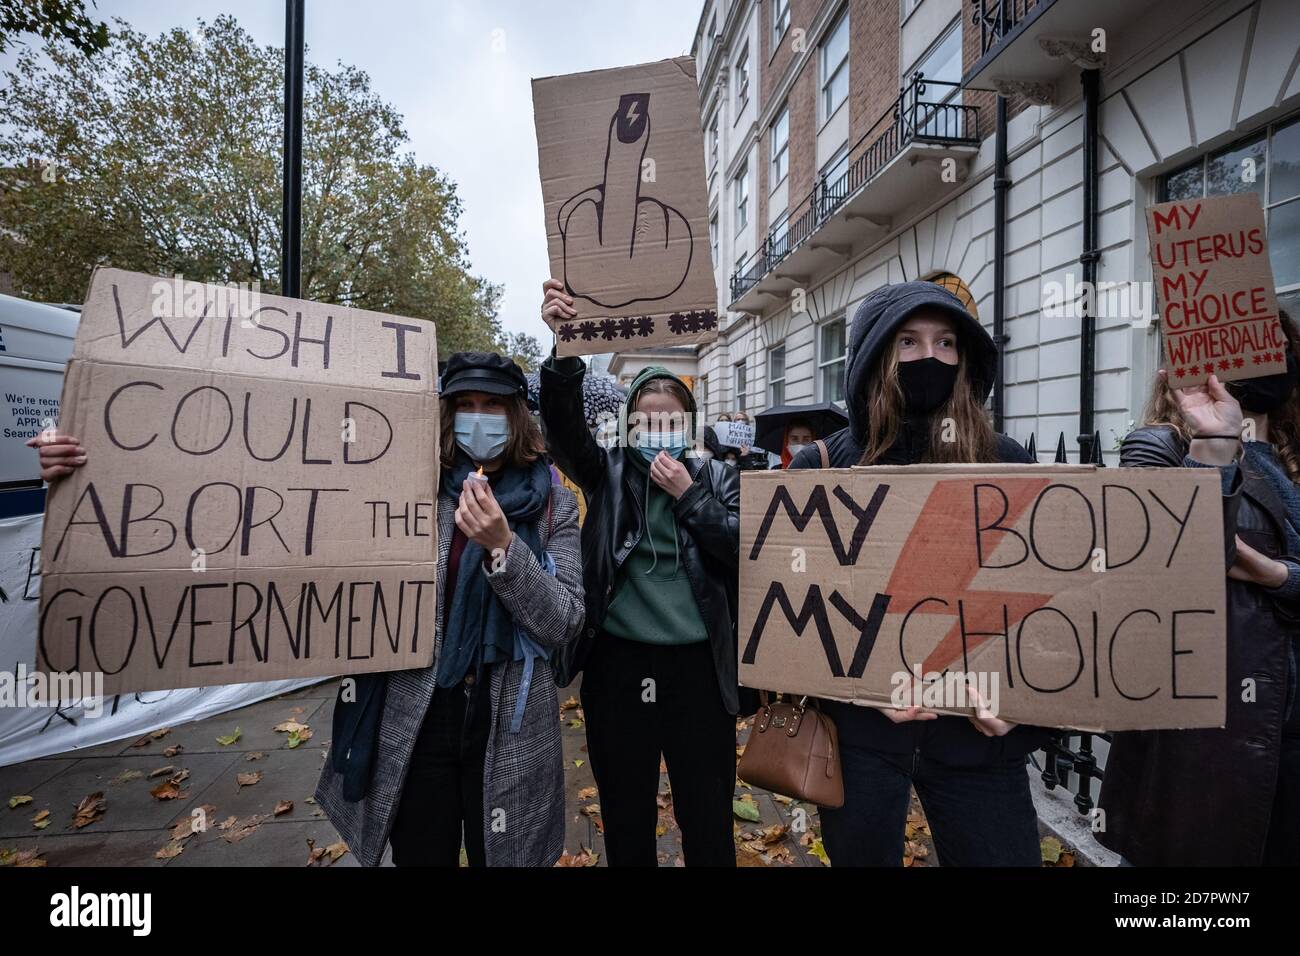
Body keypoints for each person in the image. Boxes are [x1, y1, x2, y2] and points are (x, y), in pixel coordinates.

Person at [787, 280, 1049, 866]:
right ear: (876, 356)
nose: (928, 357)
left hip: (977, 743)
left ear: (965, 359)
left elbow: (1044, 603)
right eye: (907, 341)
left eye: (946, 343)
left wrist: (1023, 704)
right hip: (861, 740)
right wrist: (860, 685)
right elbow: (792, 611)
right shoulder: (825, 466)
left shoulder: (1006, 463)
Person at [540, 278, 741, 867]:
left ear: (690, 426)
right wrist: (563, 351)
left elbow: (743, 553)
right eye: (646, 422)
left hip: (700, 672)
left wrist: (689, 499)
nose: (658, 433)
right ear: (628, 428)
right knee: (625, 816)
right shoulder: (606, 473)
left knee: (707, 818)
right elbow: (562, 429)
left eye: (671, 421)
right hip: (620, 668)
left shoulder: (718, 479)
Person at [1096, 311, 1300, 866]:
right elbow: (1167, 564)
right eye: (1257, 338)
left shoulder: (1289, 452)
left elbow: (1254, 567)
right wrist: (1216, 447)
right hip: (1211, 739)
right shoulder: (1159, 448)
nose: (1273, 352)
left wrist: (1279, 575)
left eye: (1281, 341)